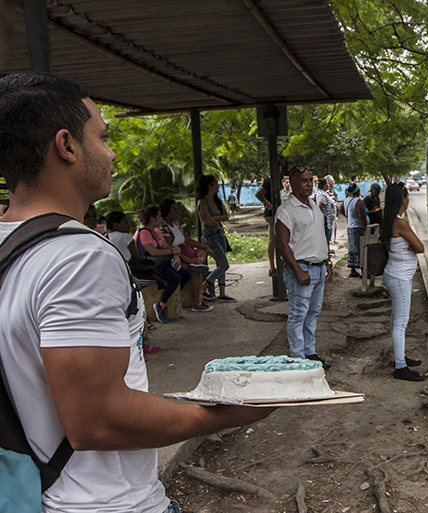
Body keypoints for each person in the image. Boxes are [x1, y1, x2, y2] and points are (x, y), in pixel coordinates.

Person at [0, 72, 274, 513]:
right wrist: (227, 413)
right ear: (67, 145)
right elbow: (97, 420)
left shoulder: (8, 244)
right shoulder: (78, 257)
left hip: (36, 493)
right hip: (107, 503)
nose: (110, 154)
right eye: (102, 137)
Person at [275, 165, 333, 368]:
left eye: (311, 180)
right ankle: (297, 358)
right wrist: (298, 271)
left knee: (313, 313)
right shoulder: (286, 210)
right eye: (304, 181)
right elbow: (282, 244)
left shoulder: (312, 205)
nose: (309, 184)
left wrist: (326, 261)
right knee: (298, 314)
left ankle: (310, 352)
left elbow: (317, 237)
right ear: (292, 183)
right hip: (301, 269)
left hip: (318, 268)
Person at [381, 182, 426, 381]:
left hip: (395, 274)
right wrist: (411, 248)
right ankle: (400, 367)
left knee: (395, 321)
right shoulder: (400, 223)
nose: (408, 199)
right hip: (400, 277)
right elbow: (421, 247)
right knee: (400, 323)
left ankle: (401, 357)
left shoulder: (389, 220)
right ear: (402, 199)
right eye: (407, 196)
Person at [135, 204, 191, 323]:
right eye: (159, 217)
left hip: (161, 263)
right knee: (175, 278)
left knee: (185, 274)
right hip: (150, 266)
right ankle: (161, 305)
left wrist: (175, 256)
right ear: (152, 219)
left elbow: (166, 246)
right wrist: (172, 251)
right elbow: (153, 252)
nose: (161, 219)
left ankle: (171, 298)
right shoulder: (144, 232)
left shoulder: (156, 231)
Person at [159, 198, 214, 313]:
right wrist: (188, 259)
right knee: (194, 271)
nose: (177, 212)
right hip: (175, 257)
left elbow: (187, 239)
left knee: (201, 252)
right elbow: (171, 249)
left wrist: (204, 247)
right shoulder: (163, 226)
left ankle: (197, 262)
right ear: (167, 212)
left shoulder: (176, 224)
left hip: (184, 252)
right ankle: (196, 303)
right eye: (174, 210)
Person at [197, 174, 236, 302]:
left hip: (219, 233)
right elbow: (208, 222)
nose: (218, 186)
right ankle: (203, 287)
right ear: (209, 186)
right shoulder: (202, 202)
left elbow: (226, 217)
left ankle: (222, 293)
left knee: (221, 263)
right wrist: (214, 219)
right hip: (209, 235)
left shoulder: (217, 200)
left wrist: (215, 219)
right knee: (224, 264)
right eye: (216, 184)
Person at [255, 174, 277, 276]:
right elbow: (258, 193)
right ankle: (272, 267)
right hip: (271, 214)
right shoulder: (269, 180)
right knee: (272, 239)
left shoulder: (276, 179)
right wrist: (267, 203)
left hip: (275, 213)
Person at [343, 183, 366, 278]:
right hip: (358, 228)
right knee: (361, 248)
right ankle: (363, 271)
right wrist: (365, 226)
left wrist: (349, 217)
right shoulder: (358, 201)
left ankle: (353, 270)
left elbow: (341, 210)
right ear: (358, 191)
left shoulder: (346, 200)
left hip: (350, 227)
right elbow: (362, 215)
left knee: (352, 249)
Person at [316, 177, 335, 250]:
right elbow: (319, 206)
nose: (328, 185)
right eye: (327, 183)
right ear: (323, 185)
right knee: (326, 237)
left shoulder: (324, 193)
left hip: (327, 219)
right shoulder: (322, 195)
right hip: (325, 219)